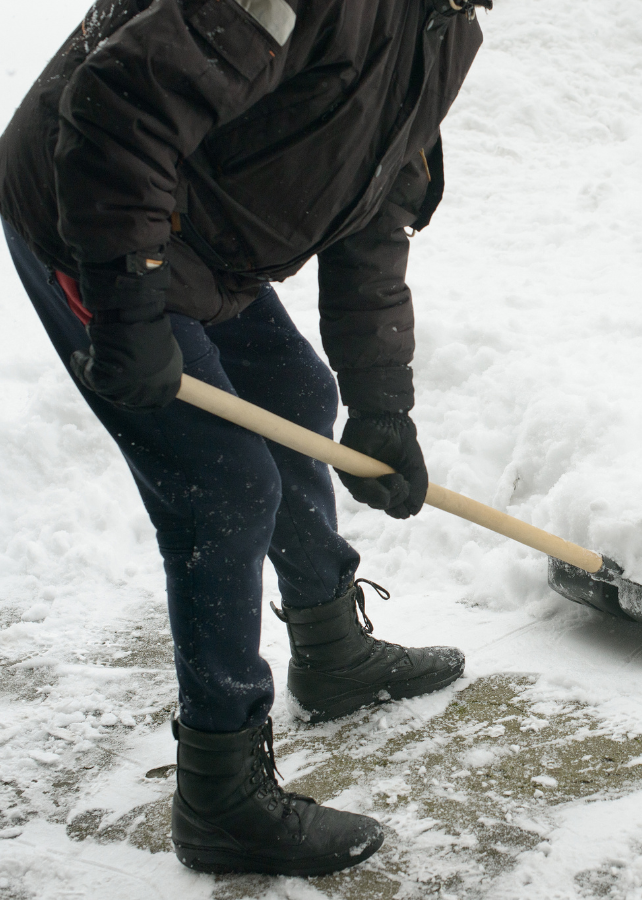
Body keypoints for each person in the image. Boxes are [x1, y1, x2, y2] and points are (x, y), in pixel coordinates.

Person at [0, 0, 490, 877]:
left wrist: (382, 402)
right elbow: (118, 109)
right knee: (222, 486)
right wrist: (125, 300)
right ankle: (221, 796)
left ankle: (330, 646)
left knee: (298, 394)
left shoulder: (444, 25)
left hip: (196, 233)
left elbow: (376, 207)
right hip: (91, 220)